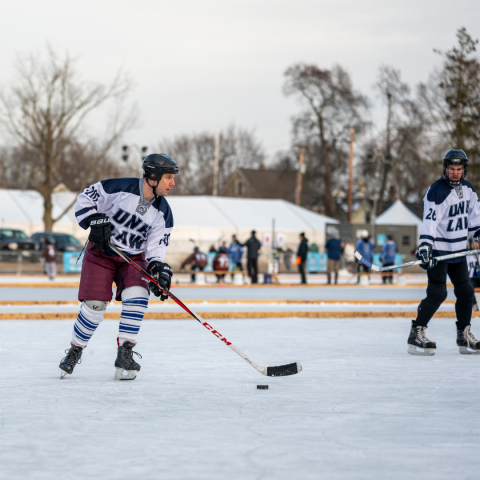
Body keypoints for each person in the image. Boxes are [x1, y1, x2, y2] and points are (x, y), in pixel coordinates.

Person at [58, 153, 179, 380]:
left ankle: (125, 352)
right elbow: (85, 198)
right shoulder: (119, 187)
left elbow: (155, 246)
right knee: (95, 305)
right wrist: (93, 220)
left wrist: (157, 269)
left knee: (138, 295)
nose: (173, 183)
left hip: (132, 258)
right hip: (101, 254)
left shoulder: (164, 213)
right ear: (153, 176)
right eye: (169, 178)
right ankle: (75, 349)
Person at [409, 149, 480, 355]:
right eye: (451, 168)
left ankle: (463, 335)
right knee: (438, 292)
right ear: (445, 168)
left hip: (458, 251)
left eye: (459, 169)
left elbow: (475, 218)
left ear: (464, 169)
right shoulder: (437, 191)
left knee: (466, 292)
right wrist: (425, 246)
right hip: (440, 251)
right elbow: (429, 222)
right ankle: (416, 332)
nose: (455, 173)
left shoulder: (468, 189)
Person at [467, 236, 480, 311]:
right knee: (468, 286)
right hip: (472, 279)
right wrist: (475, 271)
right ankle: (474, 305)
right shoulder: (467, 255)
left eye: (476, 242)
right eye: (473, 243)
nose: (474, 245)